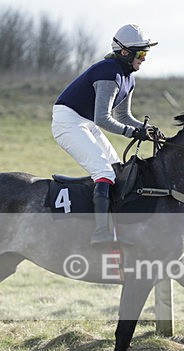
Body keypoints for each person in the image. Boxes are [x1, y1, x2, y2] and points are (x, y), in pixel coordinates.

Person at [51, 24, 158, 246]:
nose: (144, 59)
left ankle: (116, 227)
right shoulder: (109, 73)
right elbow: (102, 118)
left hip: (85, 122)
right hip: (68, 121)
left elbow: (123, 115)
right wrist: (132, 132)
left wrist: (146, 129)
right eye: (141, 53)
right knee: (104, 172)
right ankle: (101, 233)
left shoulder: (129, 77)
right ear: (125, 53)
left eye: (146, 53)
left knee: (117, 170)